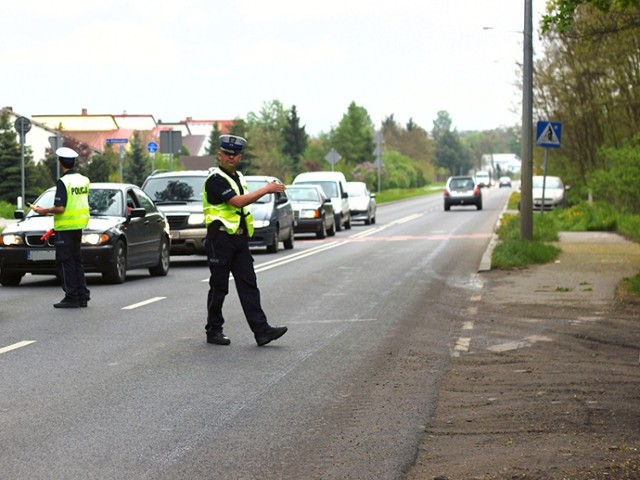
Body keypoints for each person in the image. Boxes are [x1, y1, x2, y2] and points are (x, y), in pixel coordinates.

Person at [203, 135, 288, 346]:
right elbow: (237, 202)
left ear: (240, 157)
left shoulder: (239, 177)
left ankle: (262, 331)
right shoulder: (215, 179)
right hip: (220, 239)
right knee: (219, 287)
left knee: (249, 285)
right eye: (227, 154)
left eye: (235, 155)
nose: (231, 158)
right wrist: (265, 190)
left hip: (239, 240)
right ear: (219, 155)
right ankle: (214, 330)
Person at [34, 147, 90, 308]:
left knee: (65, 261)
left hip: (65, 228)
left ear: (61, 163)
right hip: (79, 225)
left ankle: (71, 296)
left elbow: (60, 208)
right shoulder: (84, 180)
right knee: (77, 261)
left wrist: (44, 210)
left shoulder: (63, 182)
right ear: (74, 162)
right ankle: (82, 296)